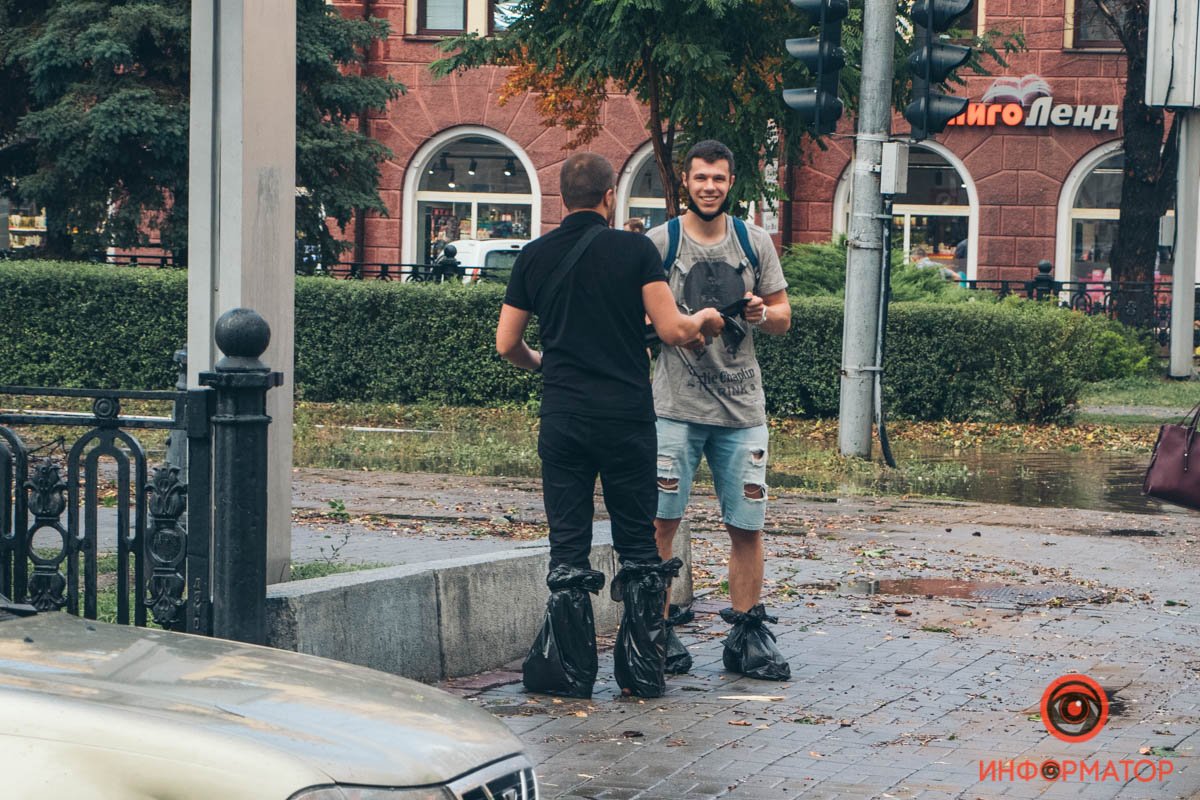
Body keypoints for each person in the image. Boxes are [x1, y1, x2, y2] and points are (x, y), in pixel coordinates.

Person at [496, 152, 725, 699]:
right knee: (638, 546)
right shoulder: (634, 249)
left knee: (568, 545)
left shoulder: (534, 255)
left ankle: (570, 675)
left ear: (561, 197)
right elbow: (671, 329)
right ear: (608, 196)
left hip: (564, 416)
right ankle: (641, 672)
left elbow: (507, 344)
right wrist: (707, 321)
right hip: (625, 416)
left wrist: (545, 365)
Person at [646, 140, 793, 681]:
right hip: (675, 410)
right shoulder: (660, 243)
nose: (710, 186)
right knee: (662, 523)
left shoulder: (754, 242)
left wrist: (761, 312)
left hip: (742, 411)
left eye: (720, 179)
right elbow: (643, 321)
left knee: (747, 526)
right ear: (685, 181)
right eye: (701, 177)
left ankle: (748, 634)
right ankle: (655, 631)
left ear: (733, 184)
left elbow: (784, 315)